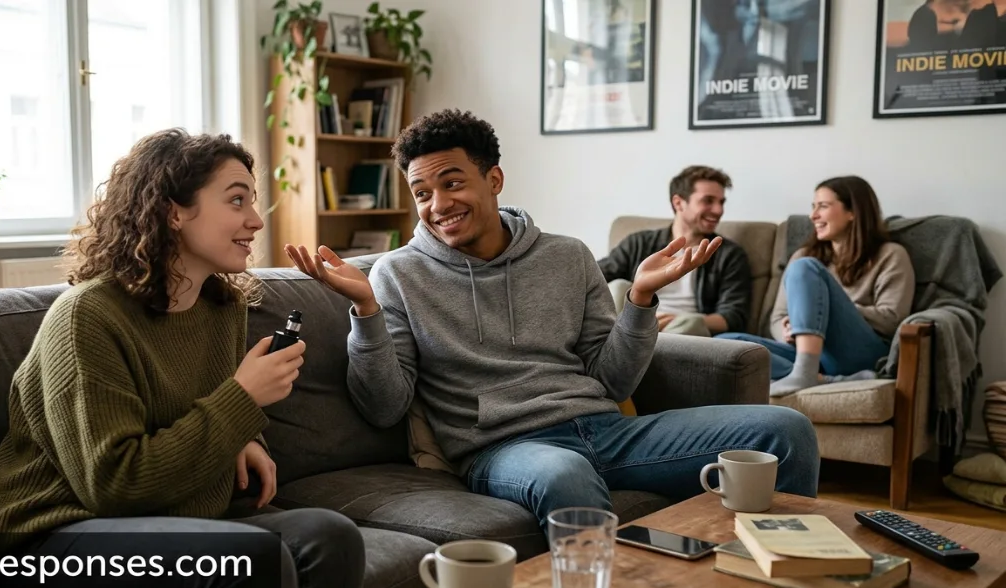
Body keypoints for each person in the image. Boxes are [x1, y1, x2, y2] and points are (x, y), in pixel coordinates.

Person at [284, 109, 819, 527]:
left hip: (606, 431)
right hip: (506, 450)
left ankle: (783, 581)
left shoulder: (567, 255)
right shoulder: (397, 275)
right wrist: (366, 313)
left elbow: (610, 379)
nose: (437, 204)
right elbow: (383, 408)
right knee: (565, 473)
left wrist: (639, 301)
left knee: (785, 429)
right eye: (422, 193)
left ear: (493, 179)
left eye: (452, 183)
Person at [0, 129, 365, 588]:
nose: (255, 220)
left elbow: (201, 413)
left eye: (253, 201)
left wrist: (246, 435)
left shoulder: (223, 309)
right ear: (173, 211)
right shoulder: (86, 317)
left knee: (332, 537)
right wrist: (241, 402)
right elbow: (113, 485)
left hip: (169, 516)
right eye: (237, 200)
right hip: (48, 537)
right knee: (251, 566)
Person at [718, 176, 915, 397]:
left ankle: (804, 373)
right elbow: (777, 318)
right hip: (811, 354)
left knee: (805, 267)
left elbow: (892, 318)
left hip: (860, 352)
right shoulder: (803, 254)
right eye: (813, 207)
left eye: (823, 206)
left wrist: (821, 315)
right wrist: (789, 332)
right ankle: (822, 379)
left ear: (853, 212)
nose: (813, 216)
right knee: (724, 346)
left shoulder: (890, 255)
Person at [598, 165, 752, 337]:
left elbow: (733, 316)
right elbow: (594, 279)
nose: (718, 210)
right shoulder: (639, 243)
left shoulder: (728, 255)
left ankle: (636, 349)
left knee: (692, 323)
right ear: (678, 202)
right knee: (617, 286)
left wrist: (678, 319)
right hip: (634, 322)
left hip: (683, 330)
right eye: (708, 201)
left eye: (721, 202)